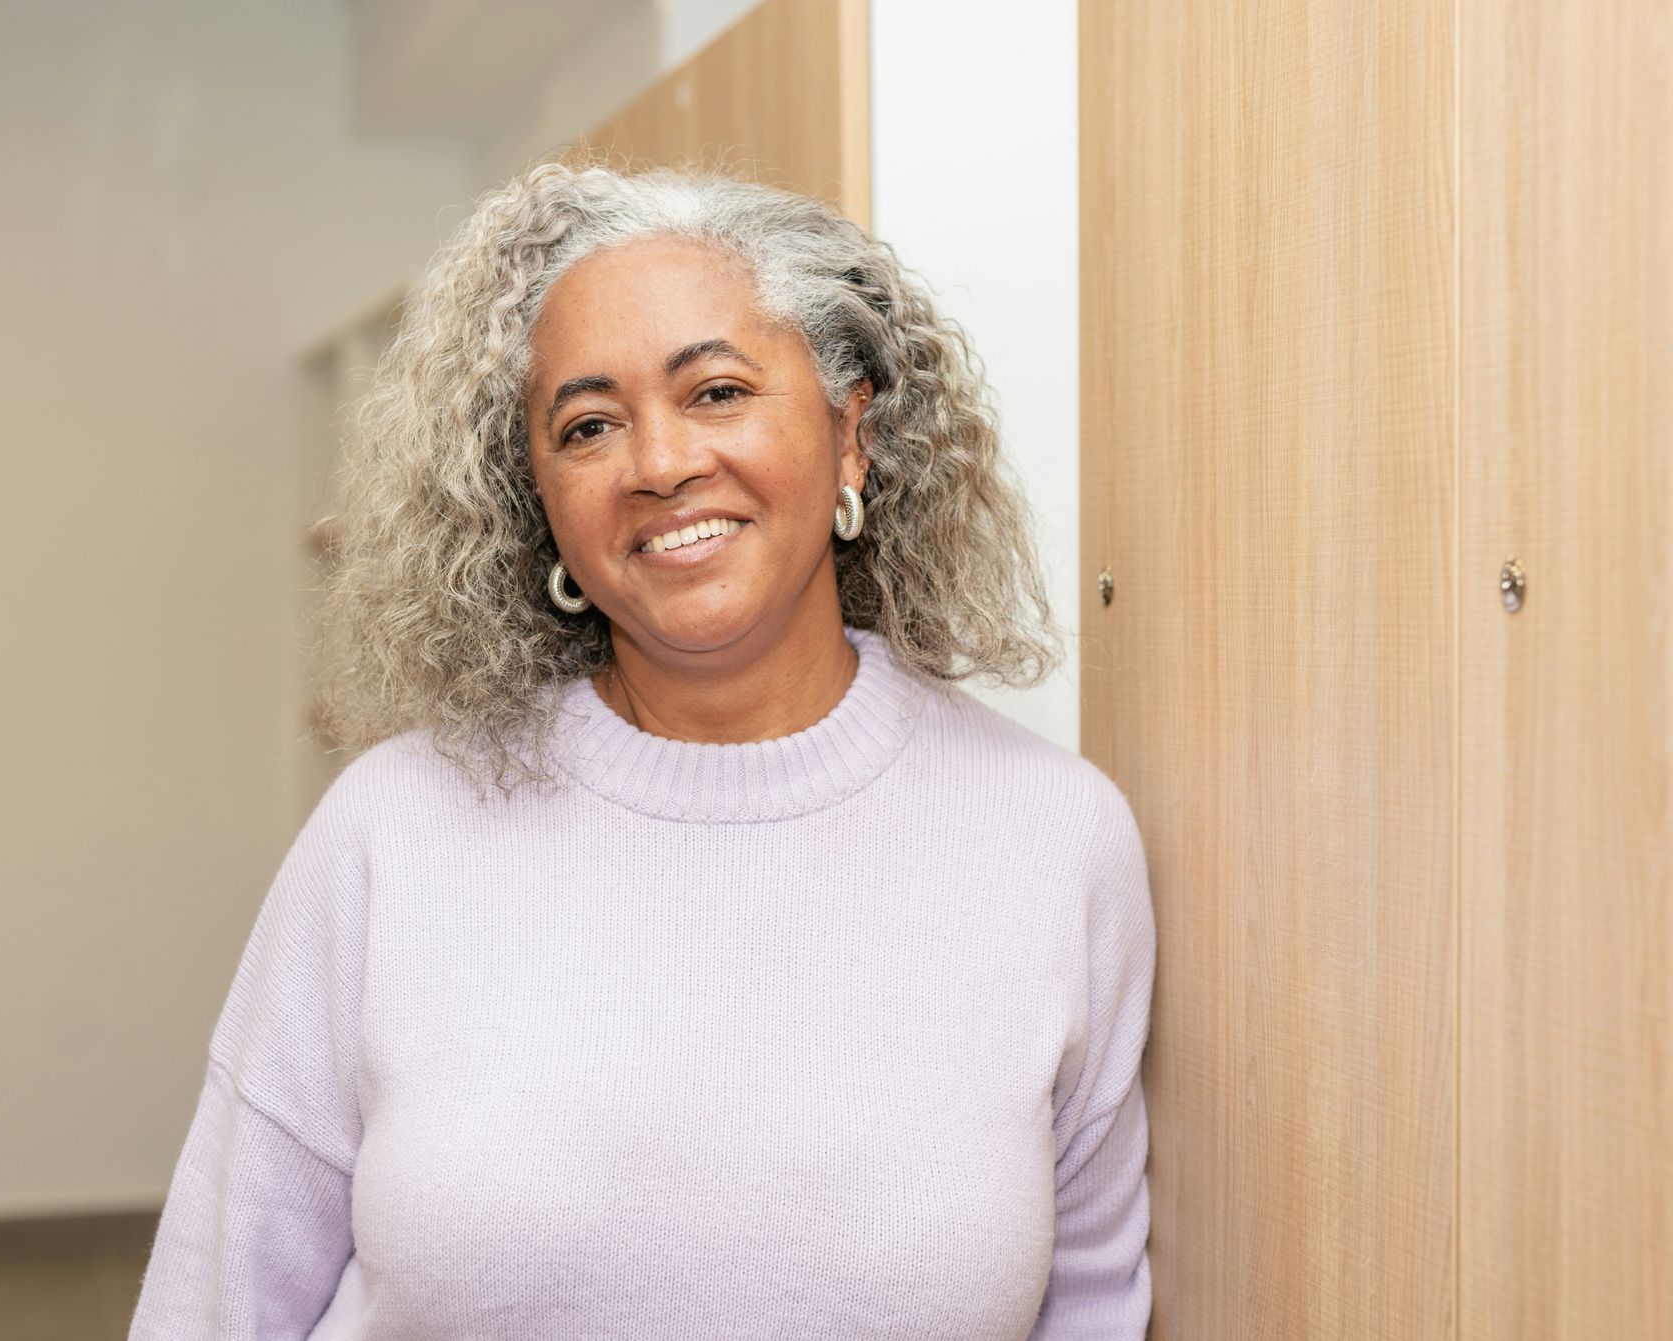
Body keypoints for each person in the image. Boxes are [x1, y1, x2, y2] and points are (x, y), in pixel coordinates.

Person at [128, 157, 1156, 1340]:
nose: (659, 465)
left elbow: (1090, 1305)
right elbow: (216, 1300)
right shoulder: (391, 829)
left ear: (852, 435)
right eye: (589, 425)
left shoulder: (1052, 838)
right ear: (541, 501)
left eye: (717, 392)